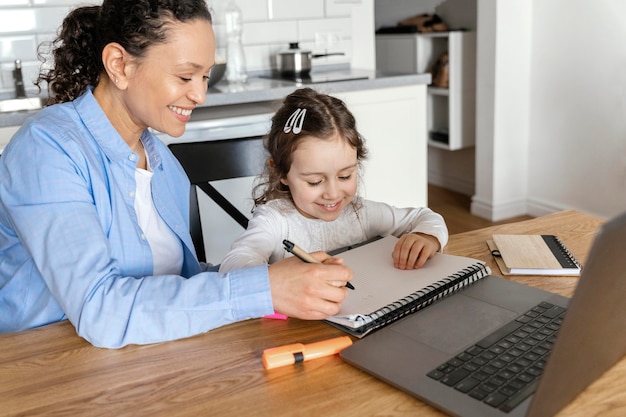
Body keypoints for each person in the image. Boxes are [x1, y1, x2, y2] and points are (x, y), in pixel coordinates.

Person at [0, 0, 352, 349]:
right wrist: (264, 288)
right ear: (119, 65)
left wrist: (278, 278)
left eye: (205, 76)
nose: (200, 94)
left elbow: (174, 282)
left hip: (141, 357)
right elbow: (100, 309)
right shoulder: (47, 148)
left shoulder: (163, 164)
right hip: (44, 363)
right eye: (185, 76)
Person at [219, 88, 449, 274]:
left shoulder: (359, 213)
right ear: (281, 172)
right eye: (315, 181)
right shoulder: (275, 221)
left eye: (345, 176)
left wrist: (426, 236)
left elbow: (425, 217)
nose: (332, 193)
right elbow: (234, 264)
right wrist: (279, 277)